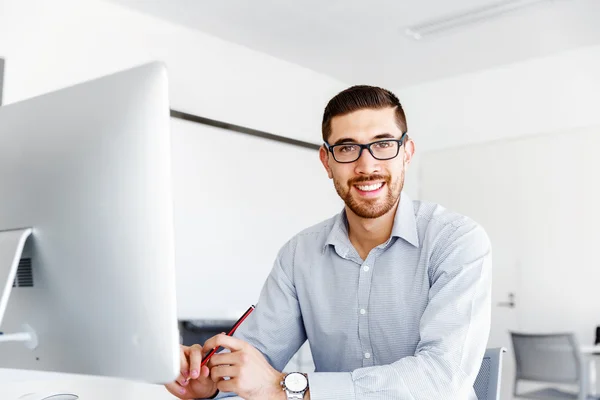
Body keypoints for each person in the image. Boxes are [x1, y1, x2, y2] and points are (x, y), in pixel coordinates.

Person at [165, 85, 492, 400]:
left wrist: (287, 388)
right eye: (347, 148)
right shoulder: (299, 255)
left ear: (407, 153)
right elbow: (256, 359)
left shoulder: (457, 241)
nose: (367, 166)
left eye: (383, 144)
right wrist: (212, 383)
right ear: (327, 161)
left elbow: (439, 378)